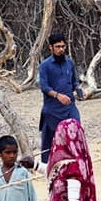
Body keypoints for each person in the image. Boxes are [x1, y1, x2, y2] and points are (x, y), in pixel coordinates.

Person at [38, 33, 84, 165]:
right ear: (51, 47)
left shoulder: (69, 62)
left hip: (70, 108)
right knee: (50, 139)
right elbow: (44, 87)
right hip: (52, 109)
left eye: (63, 46)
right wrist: (58, 96)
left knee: (75, 131)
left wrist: (79, 90)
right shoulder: (45, 66)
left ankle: (77, 161)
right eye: (58, 47)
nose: (61, 49)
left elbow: (74, 81)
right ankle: (47, 166)